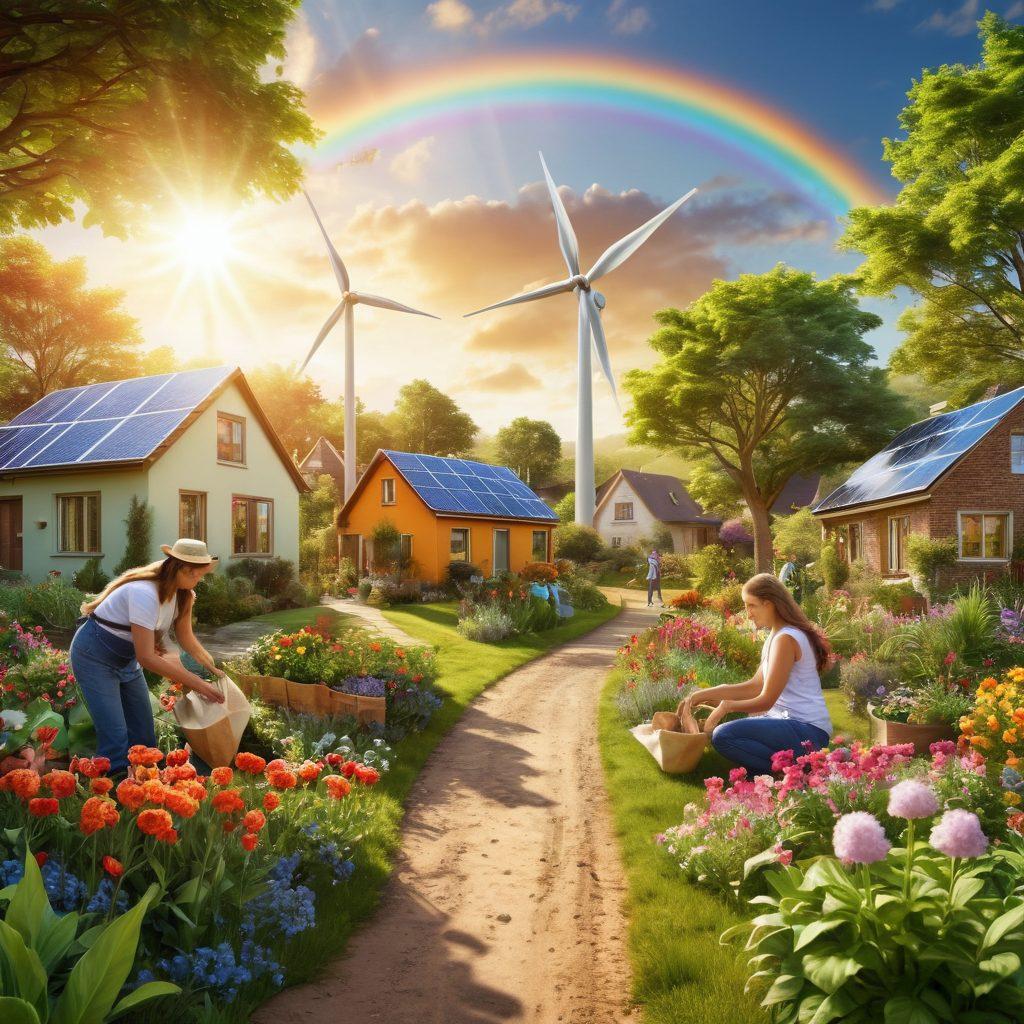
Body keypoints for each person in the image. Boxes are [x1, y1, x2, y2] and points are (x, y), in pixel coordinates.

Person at [69, 538, 226, 775]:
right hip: (94, 656)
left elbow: (186, 639)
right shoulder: (144, 593)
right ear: (180, 568)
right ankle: (112, 796)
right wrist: (199, 685)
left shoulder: (184, 595)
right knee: (116, 735)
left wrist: (212, 668)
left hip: (127, 660)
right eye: (196, 574)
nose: (199, 579)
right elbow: (147, 657)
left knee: (144, 733)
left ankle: (145, 788)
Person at [678, 572, 832, 774]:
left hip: (808, 731)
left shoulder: (786, 639)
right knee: (735, 732)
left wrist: (726, 707)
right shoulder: (776, 636)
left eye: (751, 605)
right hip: (787, 724)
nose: (747, 613)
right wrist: (699, 695)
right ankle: (793, 768)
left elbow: (766, 700)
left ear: (769, 604)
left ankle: (795, 771)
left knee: (724, 735)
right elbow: (754, 686)